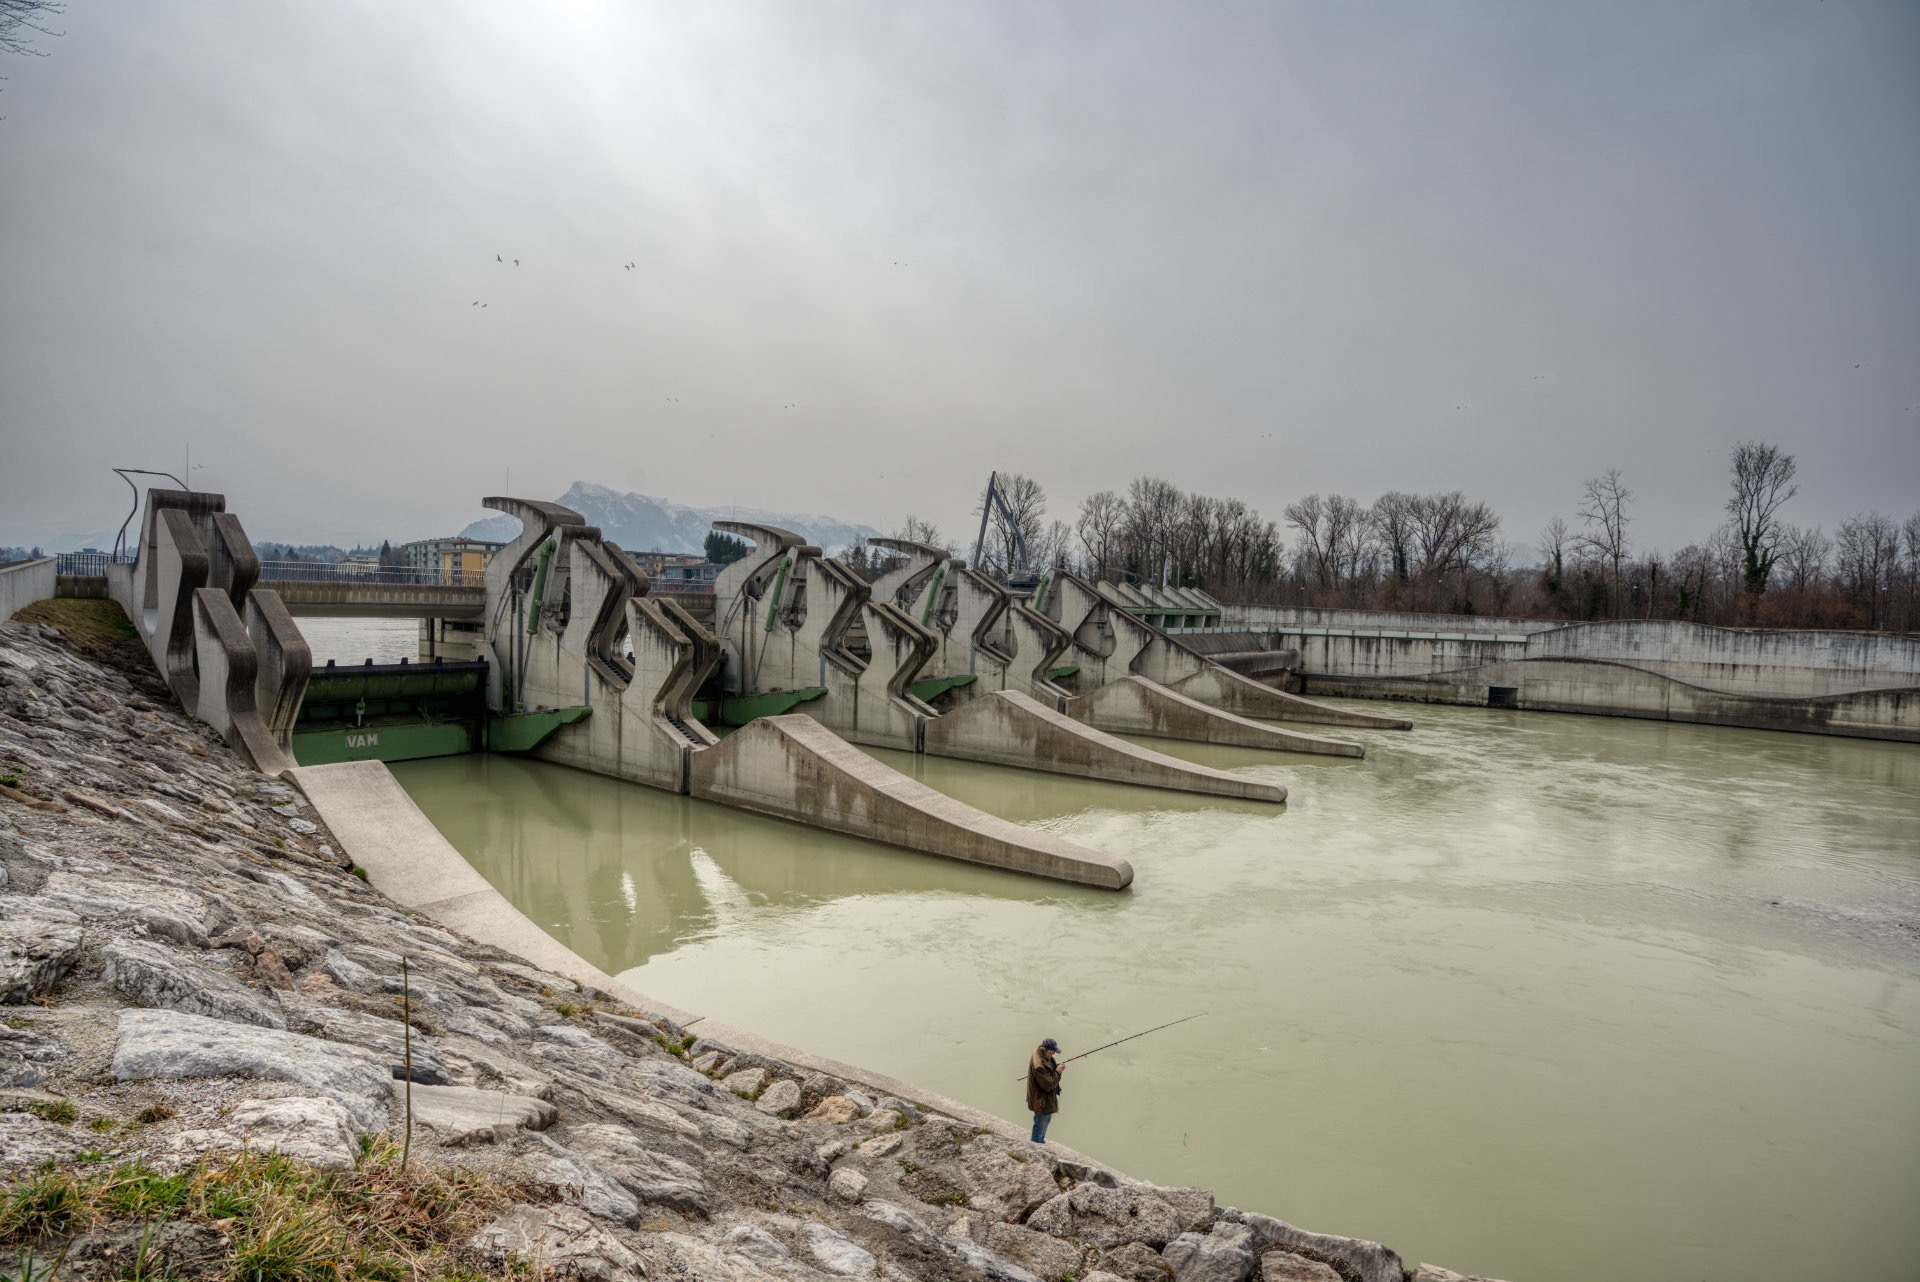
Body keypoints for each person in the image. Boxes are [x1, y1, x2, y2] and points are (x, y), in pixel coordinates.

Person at [1027, 1037, 1064, 1143]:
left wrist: (1055, 1068)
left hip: (1044, 1099)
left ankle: (1039, 1141)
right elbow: (1048, 1085)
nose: (1053, 1055)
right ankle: (1037, 1144)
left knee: (1046, 1121)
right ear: (1045, 1050)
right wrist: (1058, 1072)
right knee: (1040, 1124)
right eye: (1052, 1052)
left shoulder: (1041, 1053)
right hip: (1041, 1100)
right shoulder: (1039, 1065)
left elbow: (1048, 1069)